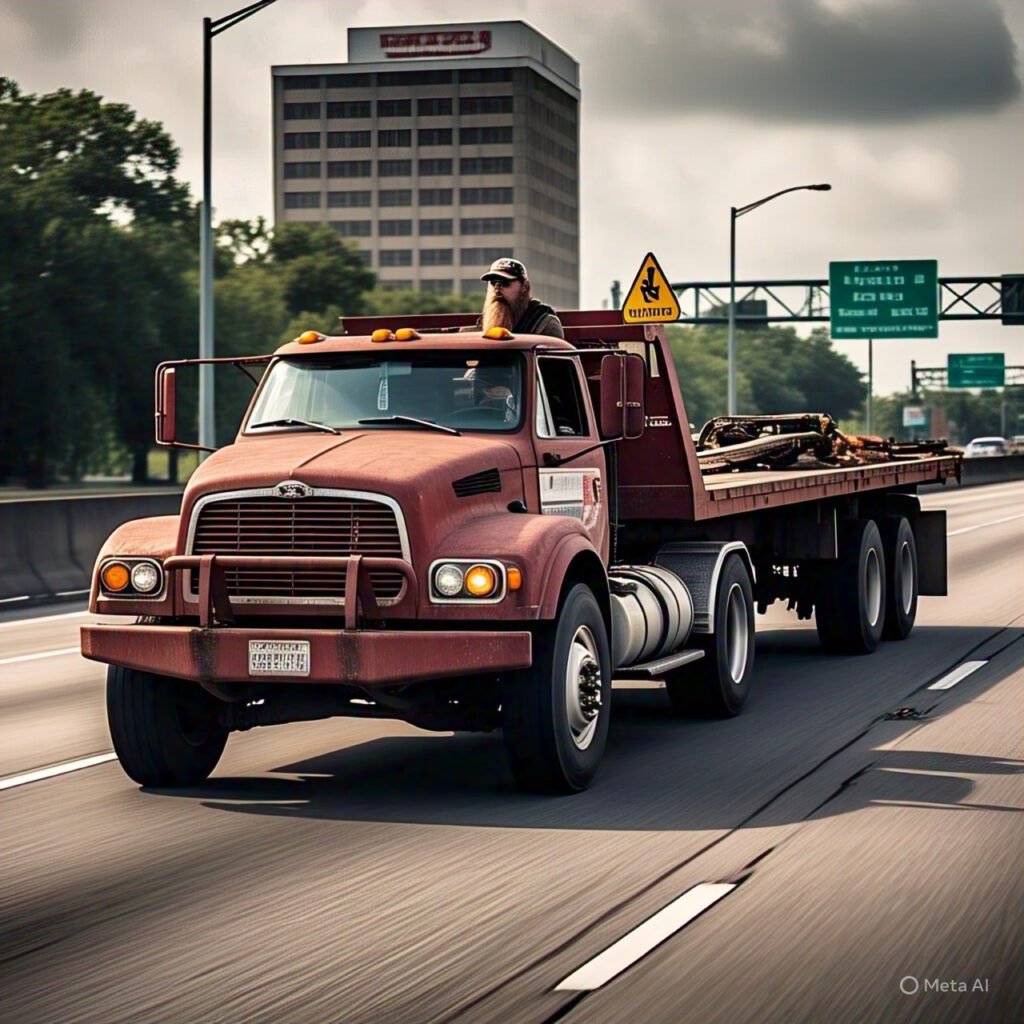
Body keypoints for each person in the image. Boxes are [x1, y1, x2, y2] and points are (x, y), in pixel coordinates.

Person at [479, 258, 564, 338]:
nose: (497, 288)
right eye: (493, 283)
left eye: (504, 283)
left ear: (524, 287)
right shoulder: (483, 323)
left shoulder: (544, 324)